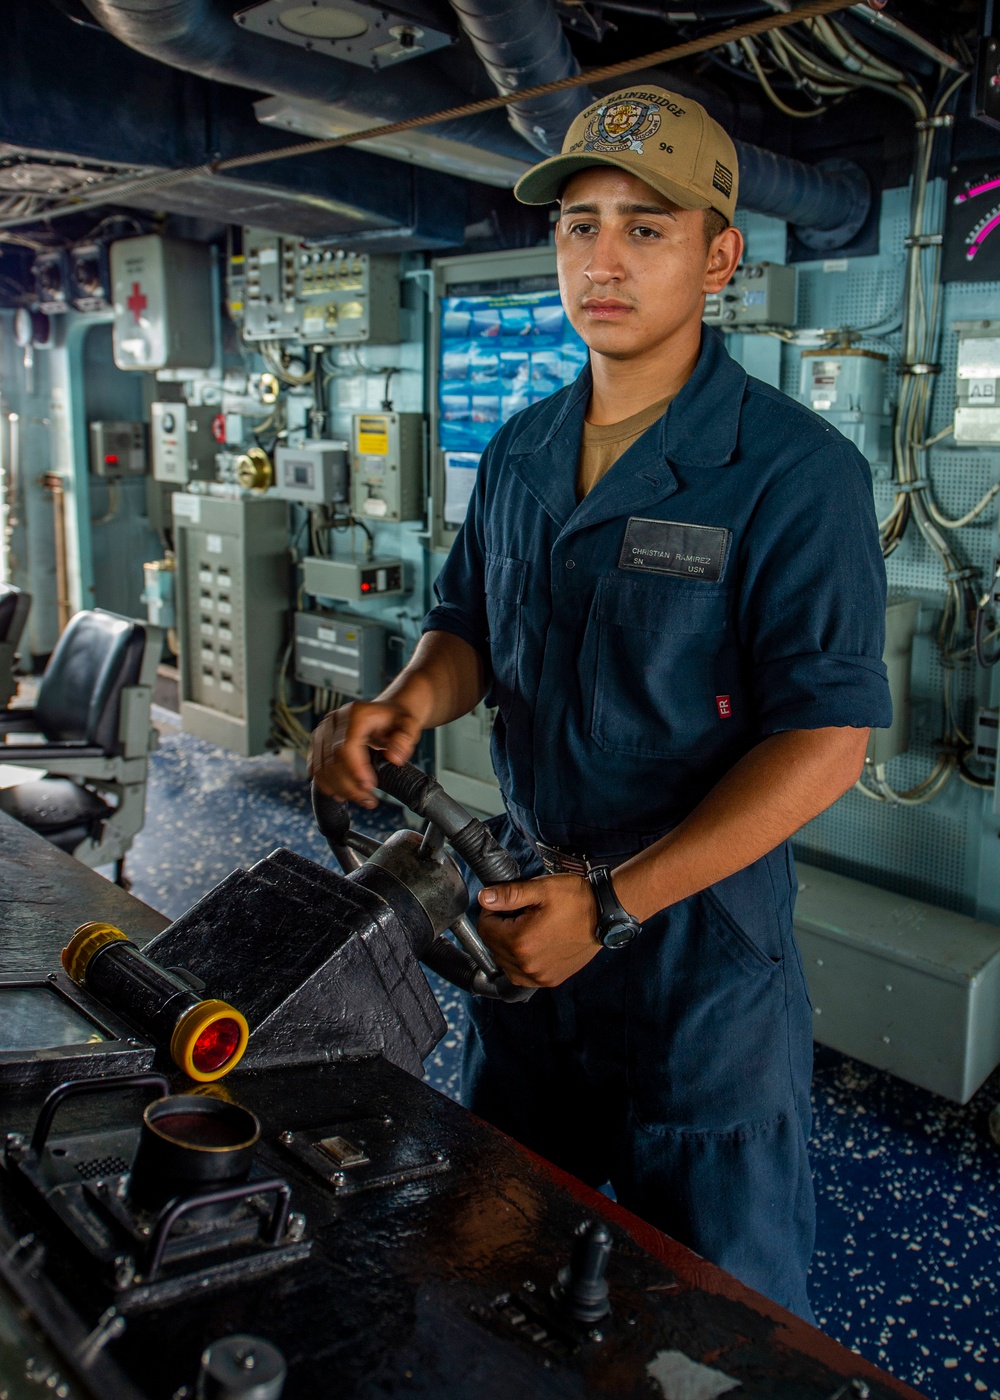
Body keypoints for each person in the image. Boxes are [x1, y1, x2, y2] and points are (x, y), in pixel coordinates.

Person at [310, 85, 891, 1321]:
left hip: (699, 960)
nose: (602, 259)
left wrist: (615, 905)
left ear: (720, 255)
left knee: (716, 1309)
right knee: (500, 1256)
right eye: (579, 225)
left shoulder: (797, 473)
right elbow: (467, 625)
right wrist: (410, 698)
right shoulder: (522, 448)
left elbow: (826, 741)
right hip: (523, 917)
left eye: (646, 226)